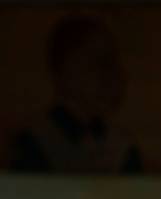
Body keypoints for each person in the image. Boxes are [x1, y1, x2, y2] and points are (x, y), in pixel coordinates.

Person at [9, 14, 141, 173]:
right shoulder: (33, 143)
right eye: (97, 63)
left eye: (112, 64)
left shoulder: (121, 147)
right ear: (65, 69)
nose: (114, 75)